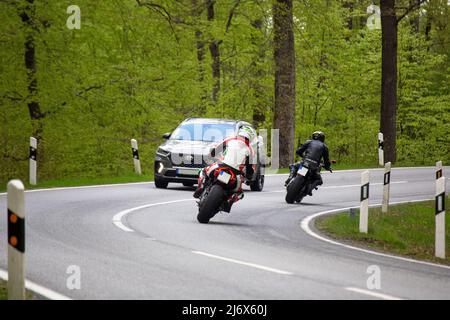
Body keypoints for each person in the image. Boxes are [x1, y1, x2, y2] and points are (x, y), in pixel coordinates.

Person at [193, 127, 256, 210]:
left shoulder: (230, 139)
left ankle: (200, 187)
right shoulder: (251, 150)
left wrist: (211, 155)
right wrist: (249, 176)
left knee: (203, 171)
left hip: (220, 166)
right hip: (235, 174)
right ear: (250, 138)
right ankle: (229, 201)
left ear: (239, 133)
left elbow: (215, 150)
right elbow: (250, 169)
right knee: (239, 192)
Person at [285, 131, 331, 195]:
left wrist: (304, 157)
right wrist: (327, 167)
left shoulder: (308, 142)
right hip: (314, 166)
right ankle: (309, 189)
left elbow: (298, 151)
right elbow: (326, 160)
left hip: (305, 163)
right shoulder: (324, 147)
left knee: (293, 166)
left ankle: (290, 177)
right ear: (323, 138)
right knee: (319, 180)